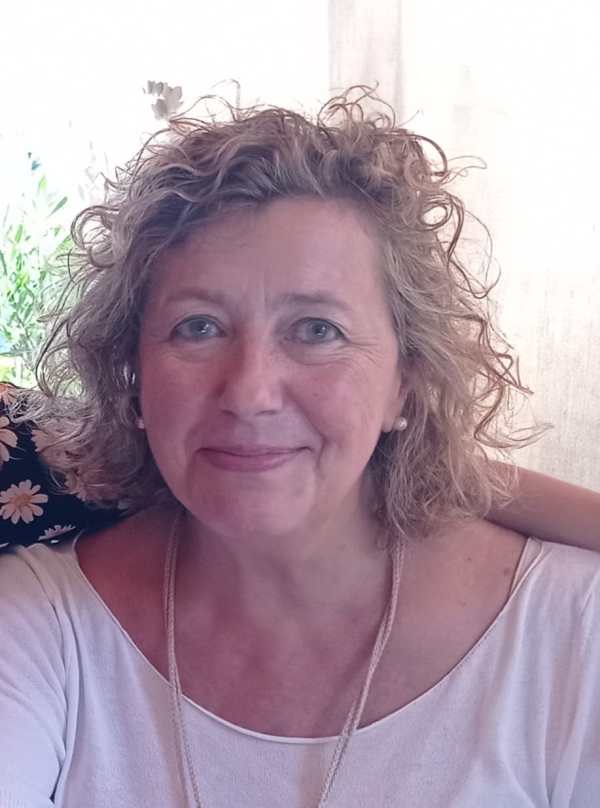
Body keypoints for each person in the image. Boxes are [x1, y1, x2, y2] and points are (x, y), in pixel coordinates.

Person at [0, 89, 599, 807]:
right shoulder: (41, 626)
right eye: (198, 327)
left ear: (406, 382)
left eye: (317, 330)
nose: (250, 392)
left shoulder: (571, 630)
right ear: (132, 374)